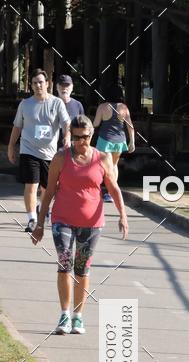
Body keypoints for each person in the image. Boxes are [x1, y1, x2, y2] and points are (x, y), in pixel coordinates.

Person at [31, 115, 129, 335]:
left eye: (84, 137)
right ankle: (64, 314)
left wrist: (123, 215)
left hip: (91, 224)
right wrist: (40, 224)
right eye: (75, 138)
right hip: (62, 220)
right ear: (70, 136)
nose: (80, 142)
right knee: (65, 263)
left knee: (82, 268)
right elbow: (49, 193)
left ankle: (78, 316)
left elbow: (113, 189)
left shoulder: (102, 158)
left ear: (91, 135)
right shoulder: (60, 158)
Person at [7, 68, 71, 233]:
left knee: (49, 188)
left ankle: (41, 209)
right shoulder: (25, 104)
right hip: (29, 150)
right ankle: (32, 219)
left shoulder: (56, 103)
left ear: (47, 84)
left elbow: (66, 123)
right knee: (31, 185)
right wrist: (11, 146)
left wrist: (67, 136)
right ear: (31, 85)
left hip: (50, 154)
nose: (38, 85)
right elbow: (17, 126)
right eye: (34, 83)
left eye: (41, 82)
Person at [93, 84, 135, 201]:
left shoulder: (102, 107)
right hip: (119, 141)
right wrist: (132, 142)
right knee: (114, 165)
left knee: (101, 166)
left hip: (105, 140)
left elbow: (95, 124)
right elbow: (130, 126)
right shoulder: (124, 108)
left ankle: (98, 191)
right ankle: (111, 194)